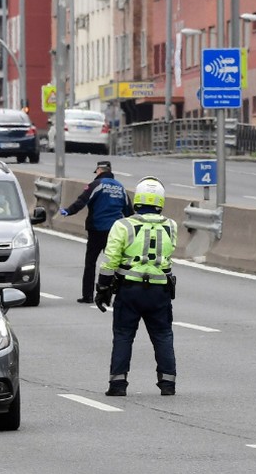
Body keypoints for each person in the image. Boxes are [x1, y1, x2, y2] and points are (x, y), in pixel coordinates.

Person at [94, 176, 177, 397]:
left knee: (123, 335)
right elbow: (168, 257)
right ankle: (168, 383)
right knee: (163, 335)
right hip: (159, 291)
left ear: (137, 200)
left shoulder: (123, 225)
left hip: (129, 290)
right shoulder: (171, 226)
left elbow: (110, 260)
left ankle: (118, 384)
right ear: (161, 201)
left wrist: (102, 289)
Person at [60, 160, 133, 304]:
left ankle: (88, 296)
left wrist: (68, 211)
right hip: (115, 231)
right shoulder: (121, 188)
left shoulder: (96, 185)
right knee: (115, 263)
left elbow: (82, 201)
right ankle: (116, 295)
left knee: (91, 263)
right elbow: (129, 212)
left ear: (99, 170)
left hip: (97, 230)